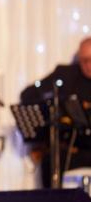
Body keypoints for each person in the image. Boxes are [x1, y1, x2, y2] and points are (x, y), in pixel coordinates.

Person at [20, 37, 91, 187]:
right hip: (72, 151)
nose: (88, 65)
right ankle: (52, 200)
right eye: (84, 60)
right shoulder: (67, 75)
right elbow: (29, 94)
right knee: (51, 159)